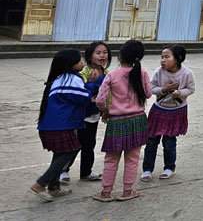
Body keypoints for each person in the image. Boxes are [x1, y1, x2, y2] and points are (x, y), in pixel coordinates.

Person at [94, 39, 152, 202]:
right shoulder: (142, 73)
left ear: (120, 57)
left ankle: (106, 193)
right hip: (138, 120)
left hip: (117, 120)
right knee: (132, 158)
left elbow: (100, 100)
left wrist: (106, 110)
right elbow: (148, 94)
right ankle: (127, 191)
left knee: (111, 158)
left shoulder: (112, 75)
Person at [29, 50, 91, 201]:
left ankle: (54, 187)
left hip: (52, 126)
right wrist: (93, 84)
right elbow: (83, 98)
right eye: (79, 60)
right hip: (60, 126)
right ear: (71, 64)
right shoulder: (71, 79)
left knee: (59, 154)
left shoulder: (60, 78)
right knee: (71, 151)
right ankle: (40, 183)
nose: (82, 62)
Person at [141, 45, 195, 182]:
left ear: (178, 58)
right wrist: (164, 89)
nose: (163, 60)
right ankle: (147, 169)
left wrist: (181, 93)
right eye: (162, 57)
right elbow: (151, 88)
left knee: (169, 141)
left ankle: (170, 168)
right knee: (151, 141)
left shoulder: (187, 73)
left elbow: (191, 88)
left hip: (177, 111)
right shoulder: (159, 72)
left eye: (167, 57)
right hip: (159, 110)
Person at [61, 41, 110, 184]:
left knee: (89, 144)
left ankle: (86, 172)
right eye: (98, 53)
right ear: (89, 55)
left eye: (105, 52)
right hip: (80, 116)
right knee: (75, 144)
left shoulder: (107, 73)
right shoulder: (83, 72)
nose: (102, 56)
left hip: (94, 115)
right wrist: (89, 82)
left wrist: (106, 110)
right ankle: (63, 170)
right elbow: (80, 94)